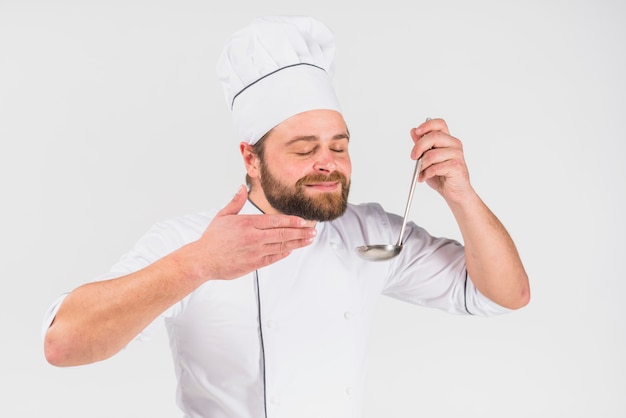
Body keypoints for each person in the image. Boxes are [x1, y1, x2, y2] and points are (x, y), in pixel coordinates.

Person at [42, 15, 530, 418]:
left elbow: (504, 296)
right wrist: (199, 264)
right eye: (304, 148)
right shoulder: (190, 242)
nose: (329, 163)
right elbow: (63, 345)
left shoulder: (371, 234)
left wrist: (461, 195)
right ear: (250, 159)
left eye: (339, 146)